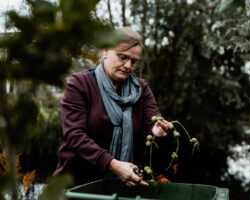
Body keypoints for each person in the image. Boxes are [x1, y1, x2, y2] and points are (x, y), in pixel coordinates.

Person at [53, 27, 173, 187]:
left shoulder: (141, 89)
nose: (128, 65)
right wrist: (113, 164)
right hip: (76, 186)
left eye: (134, 61)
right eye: (122, 57)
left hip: (123, 187)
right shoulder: (80, 84)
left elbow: (150, 123)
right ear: (106, 51)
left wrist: (157, 130)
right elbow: (74, 136)